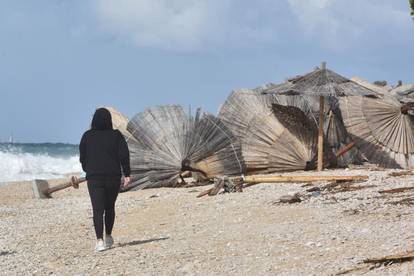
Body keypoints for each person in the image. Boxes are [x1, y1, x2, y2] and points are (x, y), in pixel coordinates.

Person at [78, 108, 131, 252]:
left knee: (97, 209)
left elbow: (82, 157)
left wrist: (88, 169)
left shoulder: (87, 136)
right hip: (113, 177)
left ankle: (99, 241)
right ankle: (108, 236)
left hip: (94, 177)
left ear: (94, 120)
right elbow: (124, 155)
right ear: (109, 120)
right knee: (110, 207)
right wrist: (127, 174)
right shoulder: (116, 135)